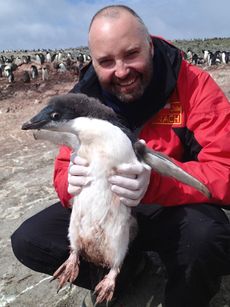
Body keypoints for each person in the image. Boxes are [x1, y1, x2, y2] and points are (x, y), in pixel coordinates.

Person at [11, 4, 230, 307]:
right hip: (109, 210)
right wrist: (71, 184)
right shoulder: (83, 100)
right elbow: (63, 170)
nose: (122, 71)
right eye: (107, 61)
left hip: (173, 208)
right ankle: (124, 272)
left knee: (207, 239)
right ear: (94, 63)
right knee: (29, 240)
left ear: (150, 46)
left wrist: (154, 183)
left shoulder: (193, 85)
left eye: (131, 54)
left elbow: (226, 169)